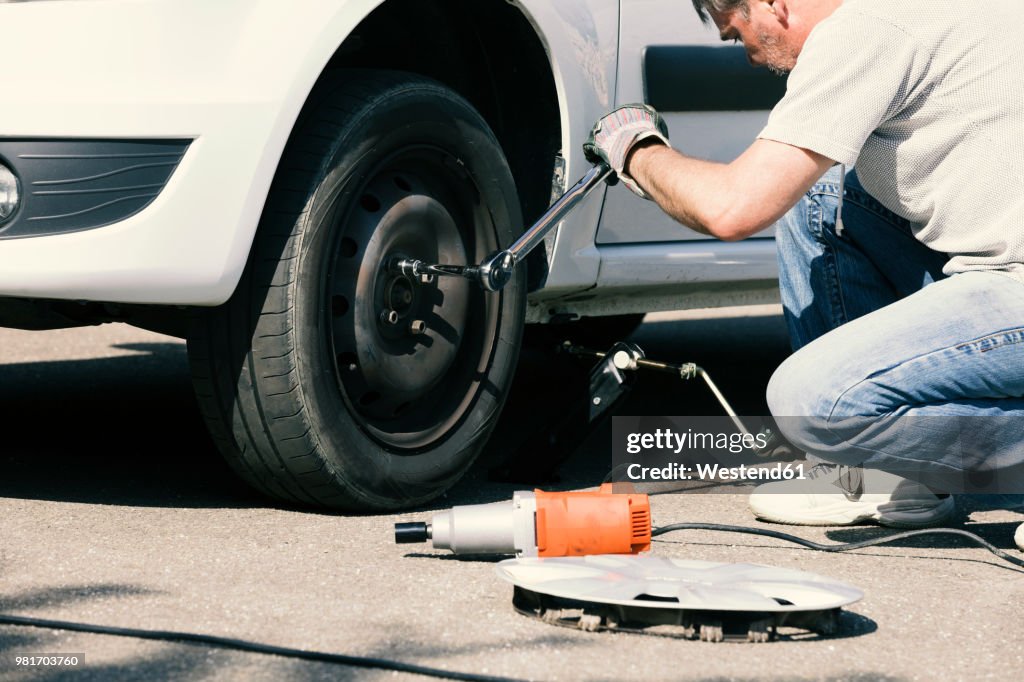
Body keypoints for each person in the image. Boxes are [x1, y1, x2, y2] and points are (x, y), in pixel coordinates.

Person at [584, 0, 1024, 547]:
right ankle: (888, 477)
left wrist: (635, 149)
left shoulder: (865, 28)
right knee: (819, 196)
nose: (745, 57)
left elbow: (734, 208)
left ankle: (890, 462)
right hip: (1002, 271)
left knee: (810, 402)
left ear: (773, 5)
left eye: (735, 34)